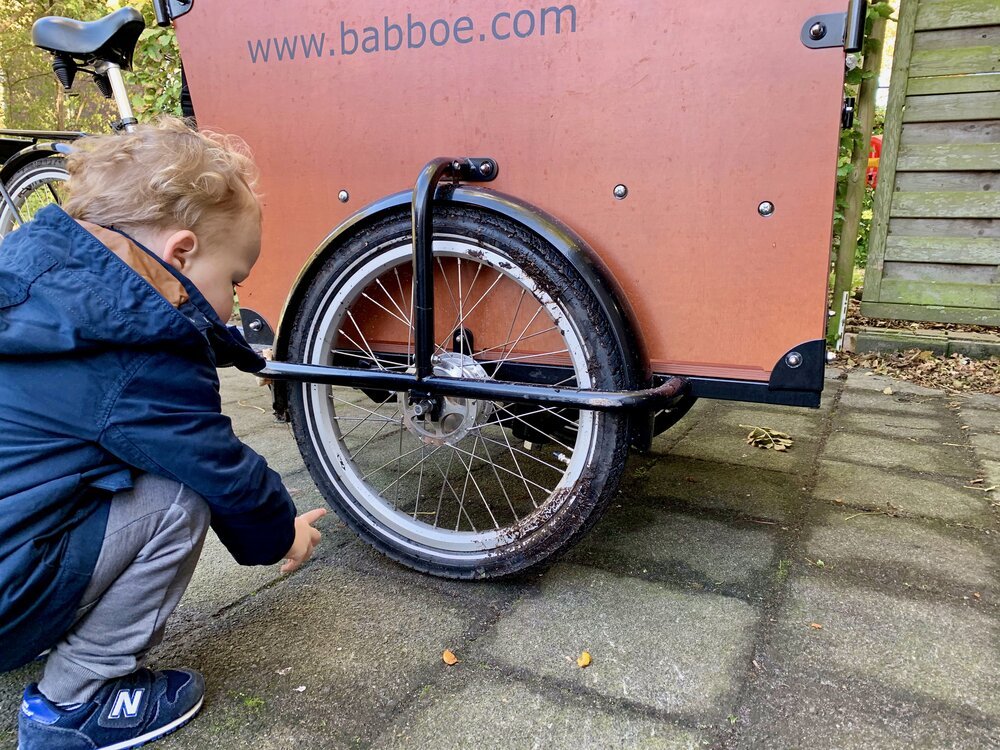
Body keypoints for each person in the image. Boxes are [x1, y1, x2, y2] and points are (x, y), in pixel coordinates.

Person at [0, 116, 327, 750]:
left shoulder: (29, 283)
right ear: (179, 254)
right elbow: (215, 463)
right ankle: (75, 704)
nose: (233, 302)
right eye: (234, 280)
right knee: (175, 499)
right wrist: (278, 531)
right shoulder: (134, 340)